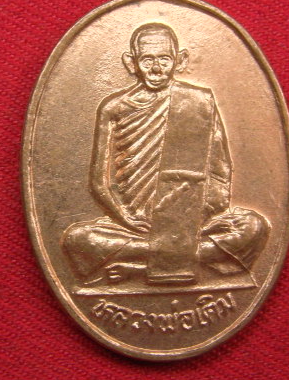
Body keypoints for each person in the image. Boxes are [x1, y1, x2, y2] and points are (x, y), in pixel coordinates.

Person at [62, 23, 269, 285]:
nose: (157, 69)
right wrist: (127, 218)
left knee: (253, 226)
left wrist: (194, 219)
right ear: (131, 62)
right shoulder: (113, 108)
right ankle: (183, 255)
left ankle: (140, 264)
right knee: (78, 239)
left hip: (192, 221)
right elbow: (99, 184)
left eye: (164, 59)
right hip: (134, 226)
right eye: (147, 60)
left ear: (179, 60)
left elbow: (220, 172)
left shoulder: (198, 101)